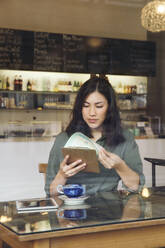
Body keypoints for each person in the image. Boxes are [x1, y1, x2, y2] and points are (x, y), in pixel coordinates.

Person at [45, 77, 145, 196]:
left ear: (109, 107)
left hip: (109, 210)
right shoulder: (64, 138)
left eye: (99, 106)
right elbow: (50, 192)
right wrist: (62, 175)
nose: (92, 113)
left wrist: (120, 166)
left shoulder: (125, 138)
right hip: (72, 209)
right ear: (79, 108)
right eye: (86, 106)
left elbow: (135, 187)